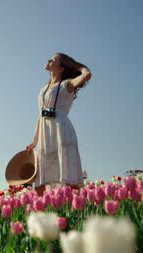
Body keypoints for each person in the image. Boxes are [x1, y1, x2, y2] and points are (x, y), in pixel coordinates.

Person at [25, 53, 92, 196]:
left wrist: (78, 66)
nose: (48, 60)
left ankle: (73, 210)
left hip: (61, 130)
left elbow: (87, 75)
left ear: (61, 68)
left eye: (53, 60)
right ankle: (41, 211)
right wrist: (34, 141)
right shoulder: (43, 89)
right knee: (41, 181)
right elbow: (40, 116)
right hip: (45, 133)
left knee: (67, 176)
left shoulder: (66, 85)